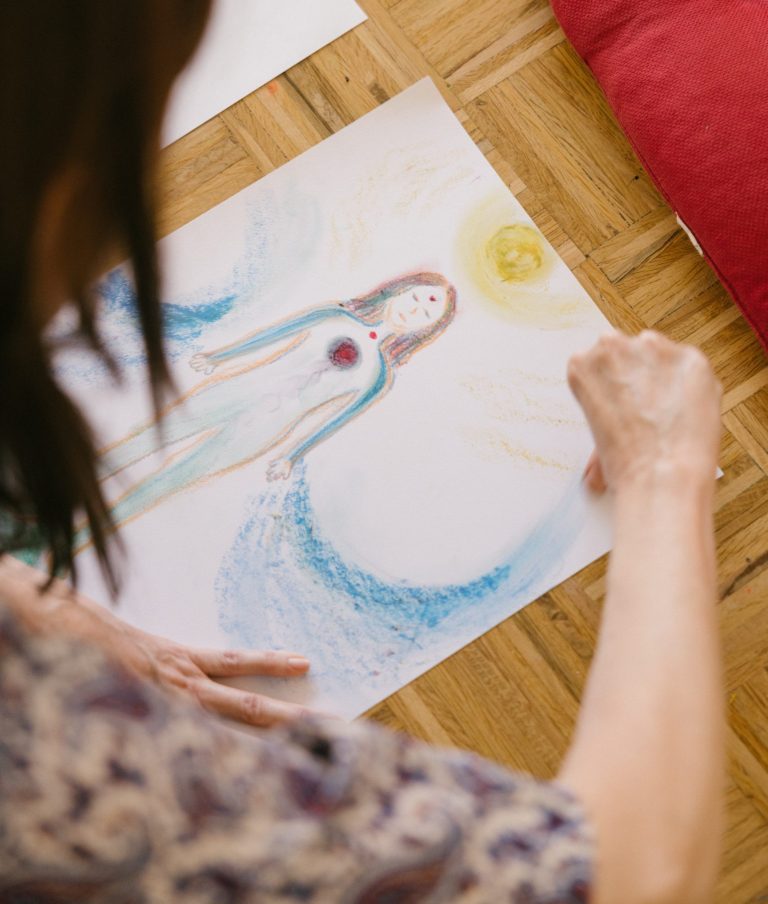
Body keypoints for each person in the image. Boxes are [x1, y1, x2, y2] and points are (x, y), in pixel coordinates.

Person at [0, 3, 724, 903]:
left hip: (260, 432)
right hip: (231, 401)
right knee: (152, 451)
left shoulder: (377, 373)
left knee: (165, 471)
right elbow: (628, 878)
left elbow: (323, 420)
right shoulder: (77, 772)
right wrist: (663, 473)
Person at [78, 274, 455, 545]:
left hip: (265, 428)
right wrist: (220, 357)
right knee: (147, 439)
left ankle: (80, 537)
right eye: (416, 298)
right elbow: (274, 334)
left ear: (422, 333)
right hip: (233, 392)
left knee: (177, 477)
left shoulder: (378, 377)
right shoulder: (334, 316)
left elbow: (336, 420)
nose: (414, 311)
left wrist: (292, 455)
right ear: (398, 290)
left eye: (426, 314)